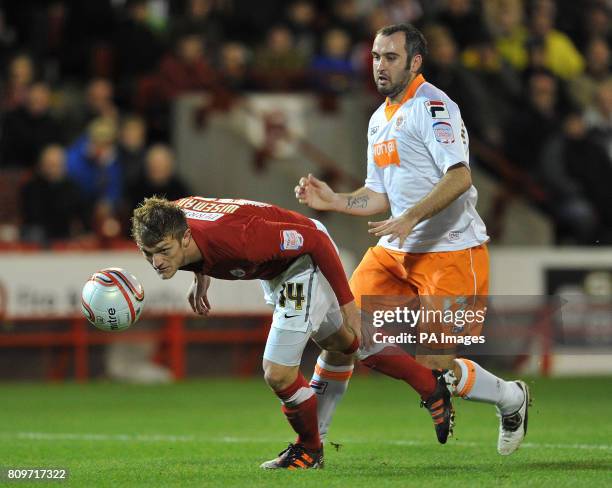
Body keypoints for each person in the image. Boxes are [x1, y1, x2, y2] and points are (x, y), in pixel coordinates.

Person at [295, 23, 530, 456]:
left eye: (390, 57)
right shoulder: (377, 119)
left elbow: (459, 177)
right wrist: (334, 200)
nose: (379, 66)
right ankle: (312, 444)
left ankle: (512, 398)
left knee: (436, 370)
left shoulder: (434, 106)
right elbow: (377, 195)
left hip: (452, 253)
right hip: (395, 252)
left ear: (415, 62)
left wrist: (409, 217)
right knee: (341, 334)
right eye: (375, 57)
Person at [131, 195, 451, 469]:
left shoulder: (241, 239)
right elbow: (192, 236)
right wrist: (200, 272)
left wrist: (347, 304)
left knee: (278, 372)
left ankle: (310, 449)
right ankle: (429, 384)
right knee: (343, 341)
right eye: (148, 254)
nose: (156, 262)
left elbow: (315, 241)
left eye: (163, 251)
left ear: (185, 238)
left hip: (301, 259)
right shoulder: (168, 218)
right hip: (274, 269)